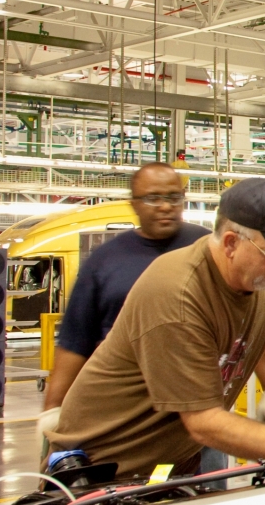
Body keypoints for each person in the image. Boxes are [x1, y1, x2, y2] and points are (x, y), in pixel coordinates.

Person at [44, 178, 265, 478]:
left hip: (171, 464)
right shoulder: (178, 293)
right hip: (99, 469)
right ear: (232, 243)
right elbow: (204, 422)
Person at [42, 163, 210, 415]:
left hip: (196, 403)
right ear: (134, 204)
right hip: (120, 406)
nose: (165, 206)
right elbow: (75, 341)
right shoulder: (104, 261)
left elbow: (247, 314)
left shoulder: (209, 249)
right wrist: (52, 410)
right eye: (153, 198)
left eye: (174, 197)